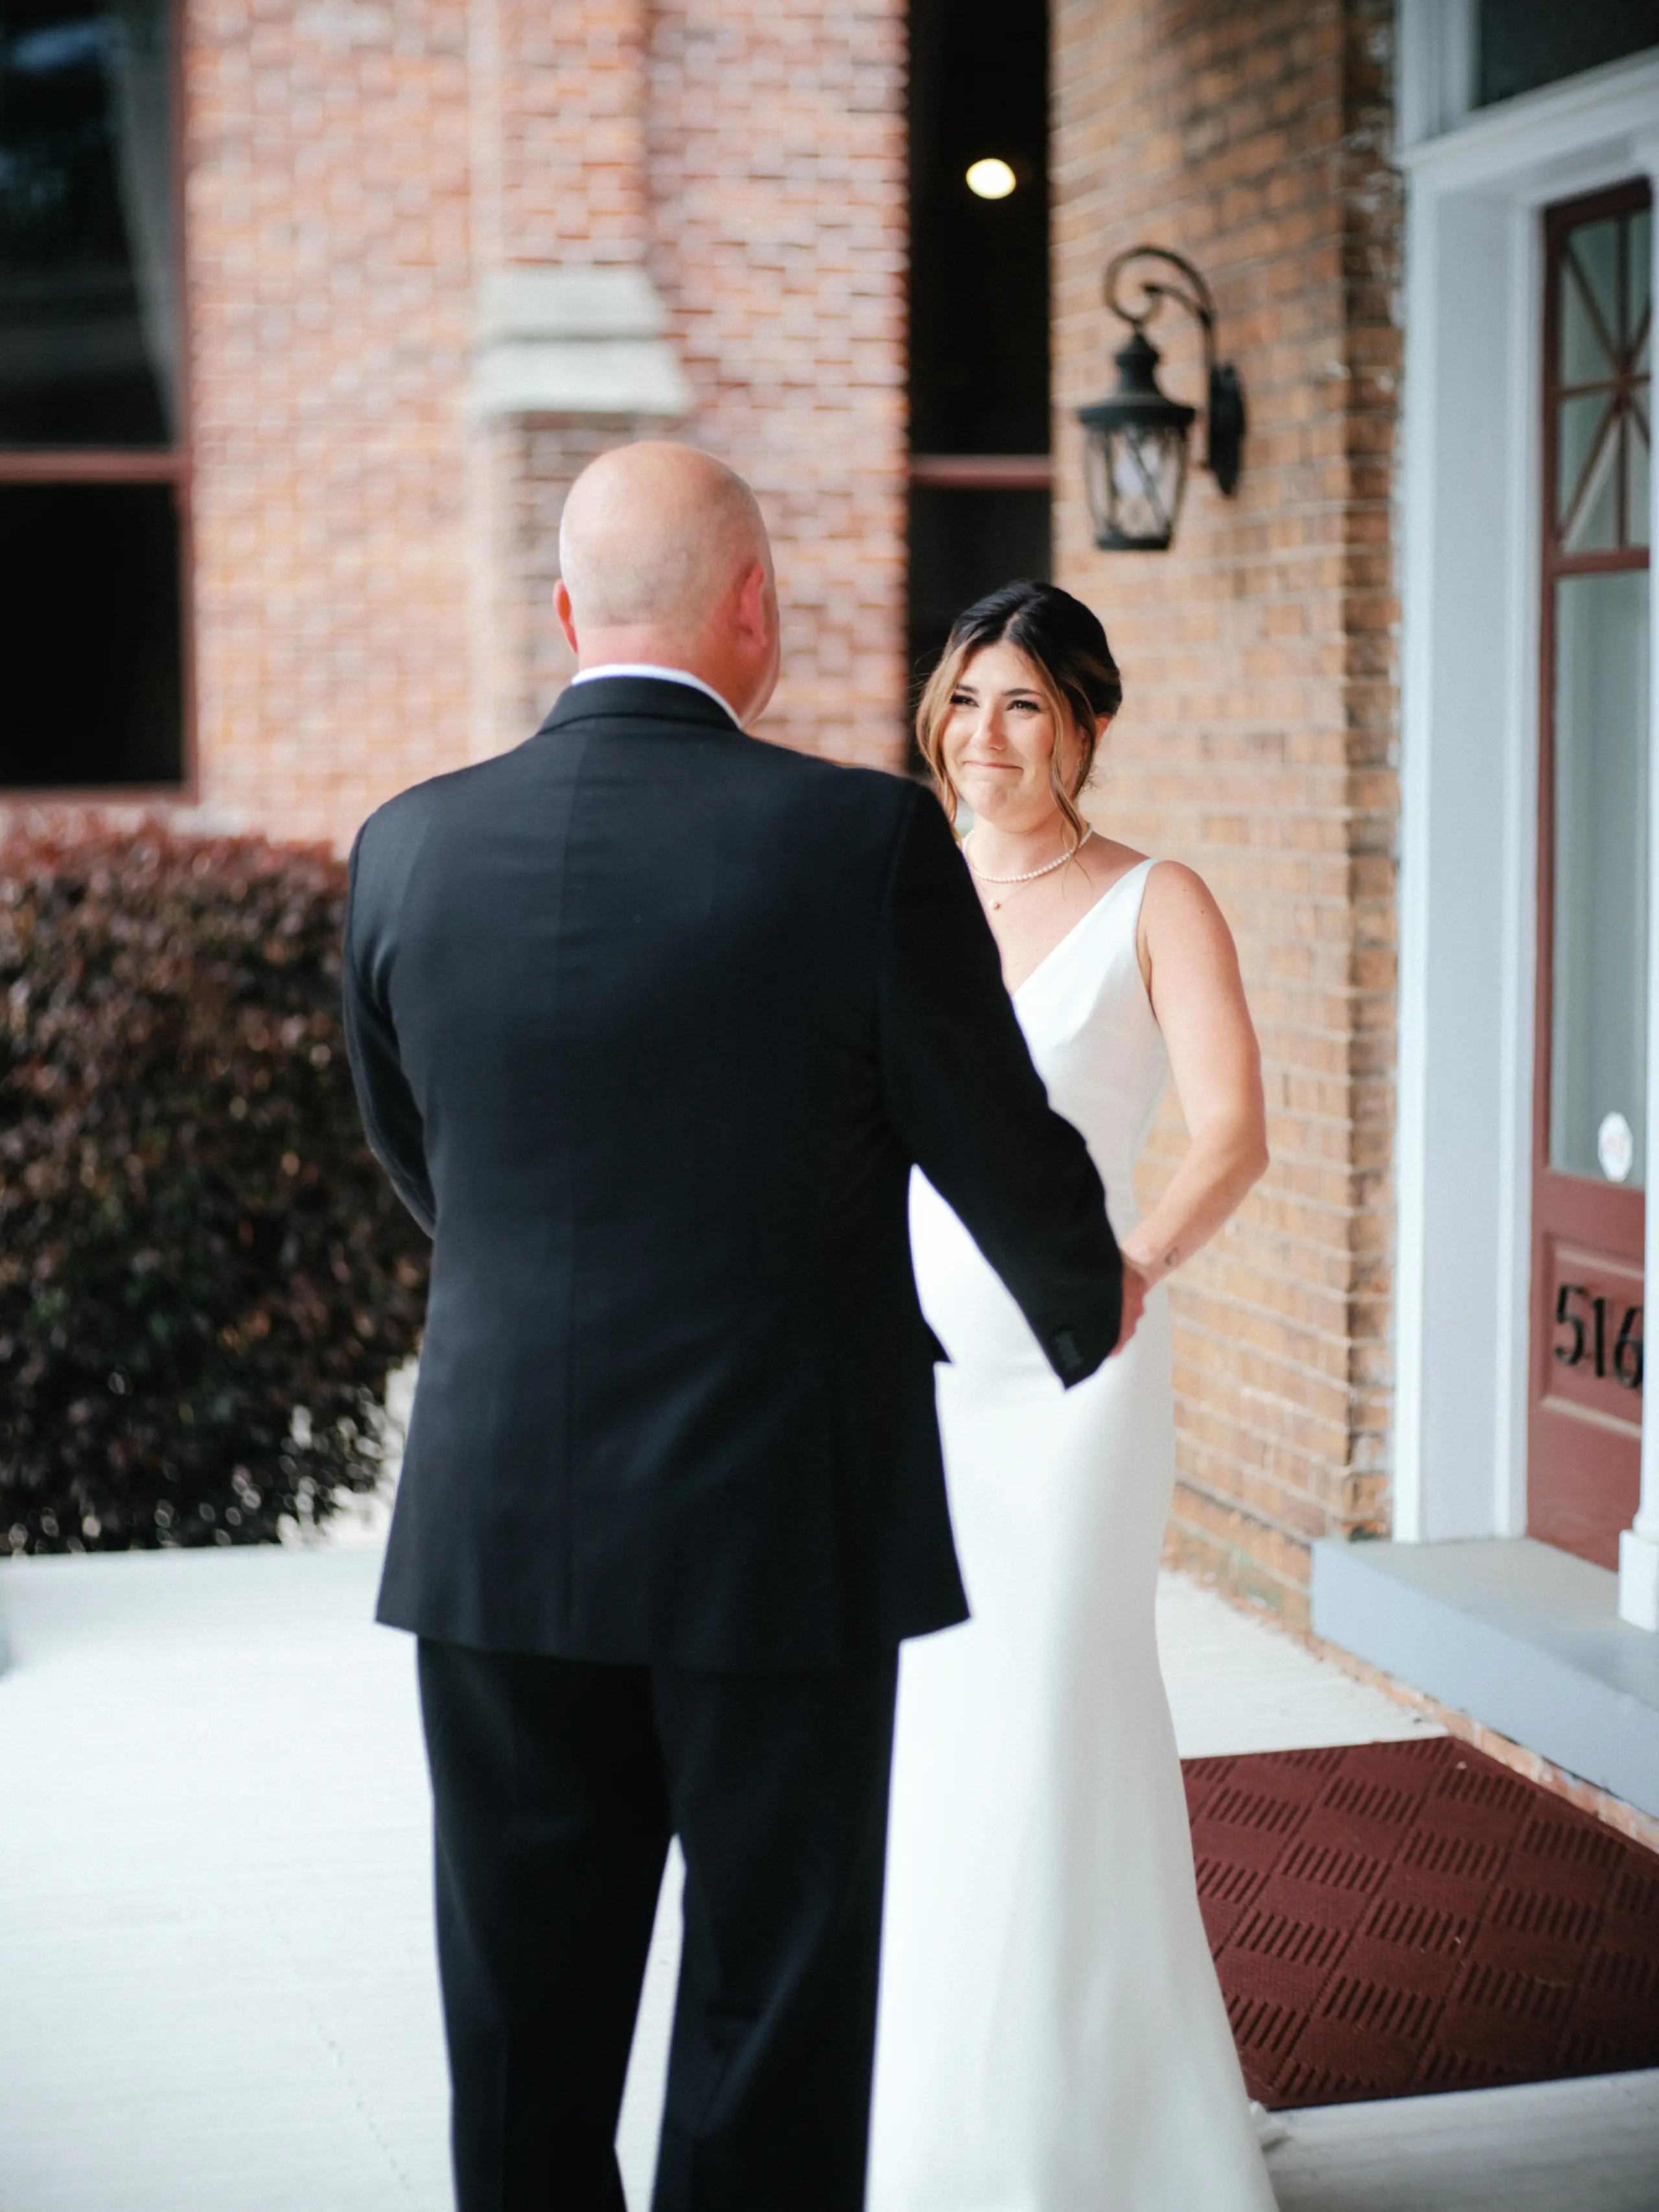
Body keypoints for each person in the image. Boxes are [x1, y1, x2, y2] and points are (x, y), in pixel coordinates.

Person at [342, 448, 1142, 2212]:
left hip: (499, 1525)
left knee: (522, 2023)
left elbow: (423, 1158)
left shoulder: (406, 845)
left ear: (569, 613)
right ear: (754, 609)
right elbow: (989, 1131)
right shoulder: (859, 839)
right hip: (780, 1528)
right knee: (773, 2017)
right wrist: (1088, 1290)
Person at [866, 580, 1277, 2212]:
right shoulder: (895, 884)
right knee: (928, 1728)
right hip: (902, 1371)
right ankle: (930, 2120)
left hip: (1076, 1379)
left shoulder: (1153, 900)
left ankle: (1096, 2125)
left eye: (1023, 703)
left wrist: (1134, 1269)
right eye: (964, 698)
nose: (984, 735)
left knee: (1055, 1711)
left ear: (1086, 725)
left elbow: (1232, 1128)